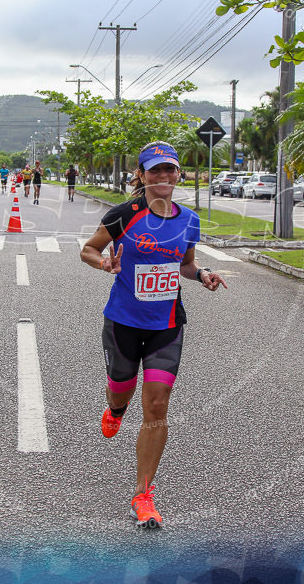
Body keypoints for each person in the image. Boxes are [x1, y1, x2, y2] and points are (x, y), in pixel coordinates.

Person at [79, 141, 227, 529]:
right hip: (124, 323)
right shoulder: (123, 214)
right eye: (155, 170)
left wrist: (204, 275)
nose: (163, 177)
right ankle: (115, 410)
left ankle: (143, 495)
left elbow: (187, 264)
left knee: (158, 407)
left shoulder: (189, 220)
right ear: (141, 176)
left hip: (166, 326)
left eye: (170, 170)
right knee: (120, 389)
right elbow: (89, 250)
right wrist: (104, 262)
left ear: (178, 175)